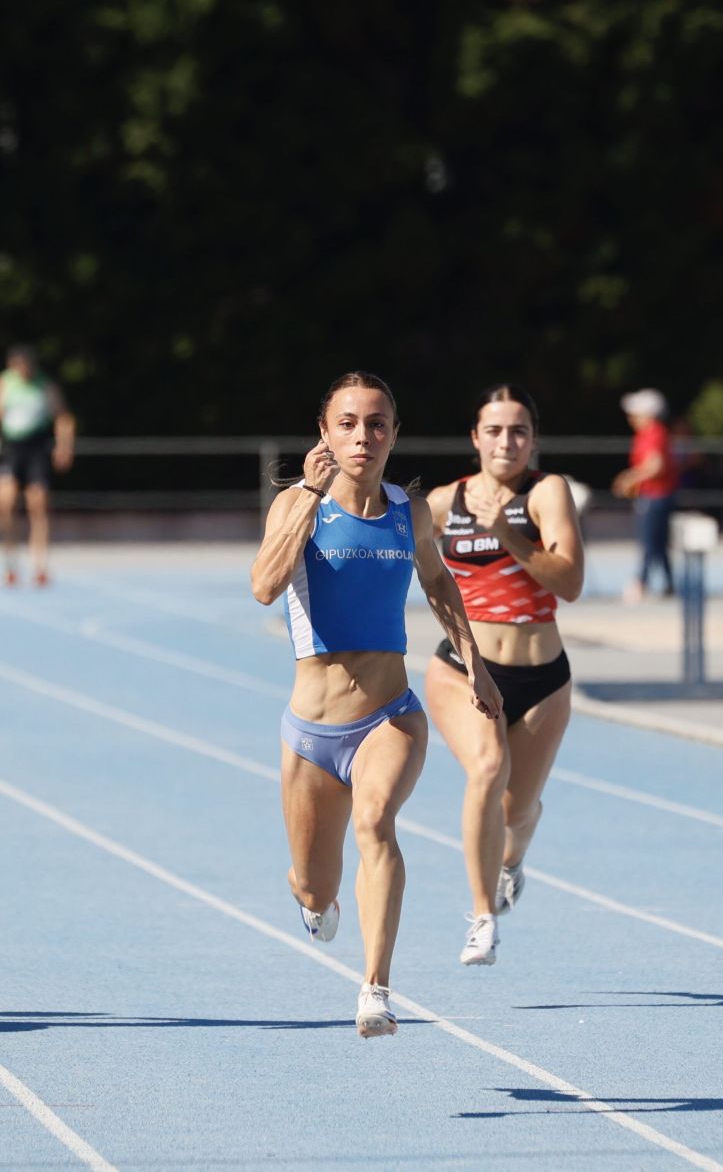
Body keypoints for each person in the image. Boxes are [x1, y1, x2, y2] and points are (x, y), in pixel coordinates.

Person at [249, 371, 501, 1037]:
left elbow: (440, 580)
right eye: (349, 422)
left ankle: (375, 990)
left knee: (377, 822)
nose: (364, 434)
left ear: (393, 433)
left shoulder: (406, 510)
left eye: (378, 422)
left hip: (389, 716)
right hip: (310, 734)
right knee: (314, 886)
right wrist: (304, 493)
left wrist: (474, 659)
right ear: (325, 432)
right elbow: (263, 586)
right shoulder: (297, 504)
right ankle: (315, 898)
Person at [426, 384, 584, 967]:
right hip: (465, 670)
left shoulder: (546, 492)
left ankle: (514, 857)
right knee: (487, 770)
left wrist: (509, 536)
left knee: (517, 809)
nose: (506, 441)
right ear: (475, 439)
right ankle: (482, 917)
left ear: (533, 440)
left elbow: (568, 583)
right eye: (493, 430)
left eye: (517, 431)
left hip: (543, 677)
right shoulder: (446, 500)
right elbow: (402, 548)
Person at [0, 345, 75, 587]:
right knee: (5, 504)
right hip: (11, 449)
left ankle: (40, 563)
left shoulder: (45, 385)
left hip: (36, 448)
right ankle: (9, 557)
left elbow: (63, 417)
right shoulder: (4, 384)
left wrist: (64, 446)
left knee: (38, 503)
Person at [612, 388, 677, 601]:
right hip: (656, 494)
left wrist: (630, 478)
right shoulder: (651, 433)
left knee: (649, 541)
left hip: (654, 495)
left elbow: (655, 465)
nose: (631, 418)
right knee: (658, 542)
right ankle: (669, 583)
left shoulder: (653, 433)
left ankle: (641, 582)